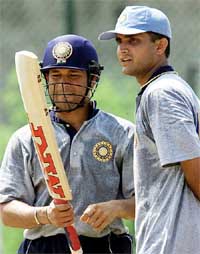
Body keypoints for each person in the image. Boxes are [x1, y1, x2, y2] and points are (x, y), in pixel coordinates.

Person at [0, 34, 135, 254]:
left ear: (92, 80)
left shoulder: (122, 133)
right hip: (43, 247)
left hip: (105, 246)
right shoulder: (25, 138)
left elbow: (146, 202)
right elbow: (6, 211)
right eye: (56, 75)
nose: (63, 83)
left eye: (73, 75)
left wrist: (115, 208)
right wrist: (45, 215)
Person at [98, 5, 200, 254]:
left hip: (173, 243)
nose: (122, 48)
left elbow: (194, 166)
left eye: (133, 41)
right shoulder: (166, 88)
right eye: (120, 40)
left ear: (160, 46)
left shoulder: (162, 94)